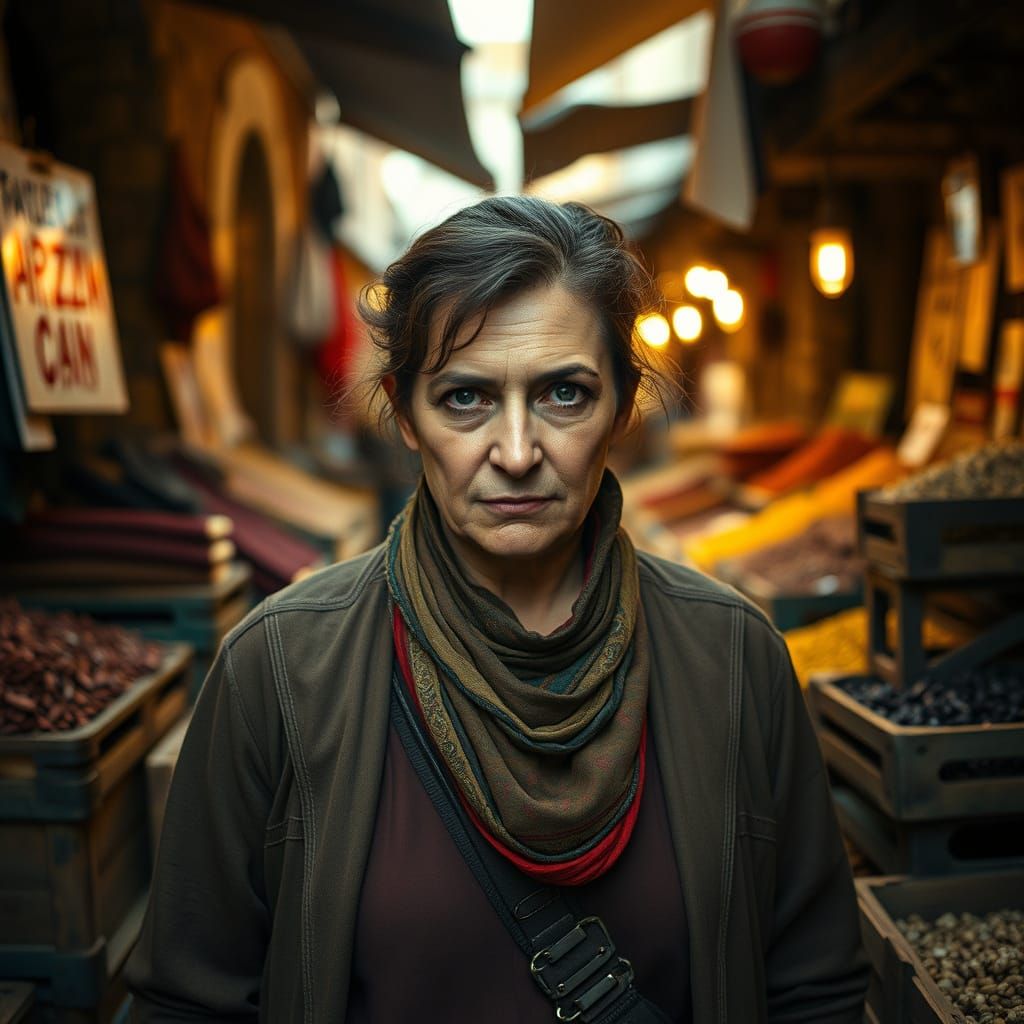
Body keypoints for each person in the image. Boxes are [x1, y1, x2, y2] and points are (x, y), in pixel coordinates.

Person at [126, 196, 868, 1022]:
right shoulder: (280, 670)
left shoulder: (735, 660)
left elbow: (816, 989)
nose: (516, 454)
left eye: (564, 394)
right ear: (405, 414)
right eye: (466, 399)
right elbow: (187, 1002)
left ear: (623, 407)